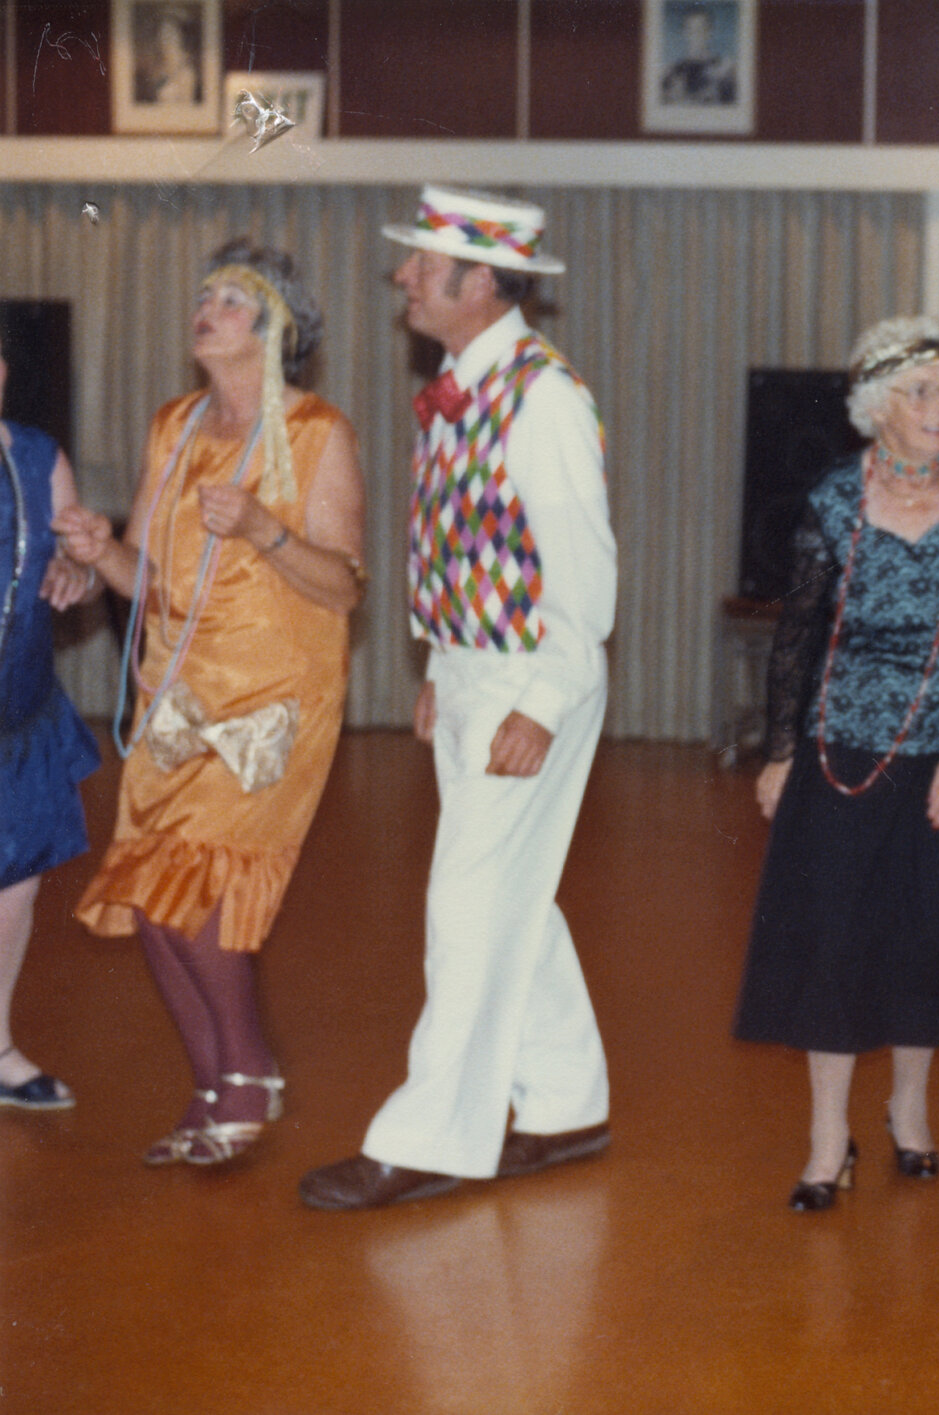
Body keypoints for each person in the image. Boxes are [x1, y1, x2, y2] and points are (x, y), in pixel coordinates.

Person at [295, 187, 615, 1211]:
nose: (401, 279)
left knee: (466, 902)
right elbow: (466, 538)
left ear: (477, 283)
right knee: (510, 892)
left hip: (533, 674)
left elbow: (583, 574)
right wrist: (439, 663)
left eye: (419, 265)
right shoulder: (456, 380)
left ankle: (429, 1135)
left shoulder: (543, 395)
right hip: (475, 667)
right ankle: (566, 1102)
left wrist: (540, 700)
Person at [60, 240, 365, 1163]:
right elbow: (144, 579)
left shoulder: (317, 433)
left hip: (272, 697)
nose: (209, 307)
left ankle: (247, 1071)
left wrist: (268, 529)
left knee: (189, 890)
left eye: (233, 299)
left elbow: (343, 587)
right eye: (205, 295)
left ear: (275, 331)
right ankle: (210, 1081)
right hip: (177, 691)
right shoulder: (175, 428)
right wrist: (97, 547)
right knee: (151, 897)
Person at [733, 315, 939, 1212]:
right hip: (842, 750)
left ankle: (909, 1105)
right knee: (832, 942)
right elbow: (798, 635)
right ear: (875, 408)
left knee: (926, 934)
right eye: (920, 393)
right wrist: (783, 751)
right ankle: (829, 1136)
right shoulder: (830, 501)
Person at [0, 356, 100, 1112]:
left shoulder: (38, 456)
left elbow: (80, 560)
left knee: (15, 891)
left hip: (19, 715)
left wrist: (77, 572)